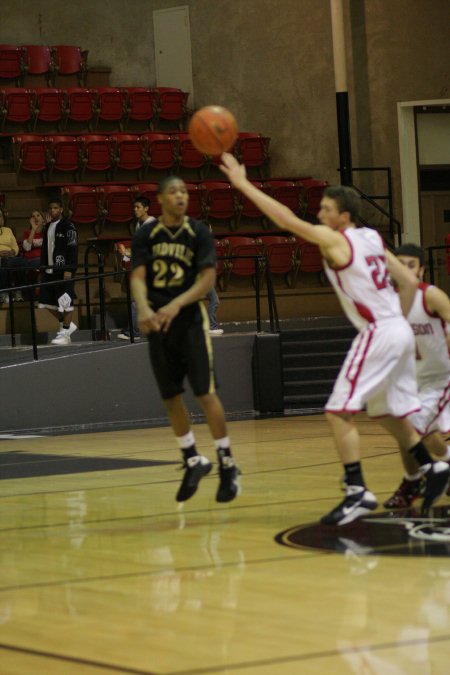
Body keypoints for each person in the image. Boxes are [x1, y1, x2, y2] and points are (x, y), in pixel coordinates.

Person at [219, 152, 449, 525]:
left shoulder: (335, 239)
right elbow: (407, 281)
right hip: (399, 329)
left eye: (326, 209)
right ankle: (432, 468)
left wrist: (243, 183)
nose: (320, 215)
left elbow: (286, 220)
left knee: (337, 412)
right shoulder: (373, 237)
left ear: (344, 216)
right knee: (388, 412)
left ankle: (357, 490)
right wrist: (400, 321)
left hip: (379, 332)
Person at [130, 176, 241, 503]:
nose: (180, 196)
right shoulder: (146, 234)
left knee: (205, 393)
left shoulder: (198, 232)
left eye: (184, 192)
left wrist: (178, 303)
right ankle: (192, 458)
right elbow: (137, 276)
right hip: (158, 324)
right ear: (161, 199)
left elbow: (208, 277)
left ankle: (227, 463)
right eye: (174, 192)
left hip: (190, 321)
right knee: (170, 396)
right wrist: (145, 307)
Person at [383, 243, 450, 508]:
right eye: (400, 264)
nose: (405, 270)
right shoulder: (389, 302)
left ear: (421, 270)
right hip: (410, 380)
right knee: (423, 432)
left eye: (411, 264)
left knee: (407, 425)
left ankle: (412, 481)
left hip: (440, 379)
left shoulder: (430, 296)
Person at [38, 199, 78, 346]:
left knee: (65, 302)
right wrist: (42, 269)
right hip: (49, 269)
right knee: (45, 302)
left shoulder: (69, 226)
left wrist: (69, 268)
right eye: (50, 208)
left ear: (61, 209)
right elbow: (44, 249)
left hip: (63, 270)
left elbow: (73, 248)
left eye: (56, 208)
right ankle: (66, 324)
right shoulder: (48, 226)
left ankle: (65, 332)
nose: (53, 211)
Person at [118, 196, 156, 341]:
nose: (135, 210)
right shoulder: (141, 224)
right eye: (134, 207)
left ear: (146, 208)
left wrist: (128, 253)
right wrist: (127, 255)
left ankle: (133, 332)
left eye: (138, 207)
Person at [0, 207, 24, 303]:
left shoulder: (8, 230)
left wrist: (13, 252)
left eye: (0, 216)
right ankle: (4, 292)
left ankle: (18, 291)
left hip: (10, 256)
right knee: (5, 262)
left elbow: (15, 246)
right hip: (1, 258)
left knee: (22, 262)